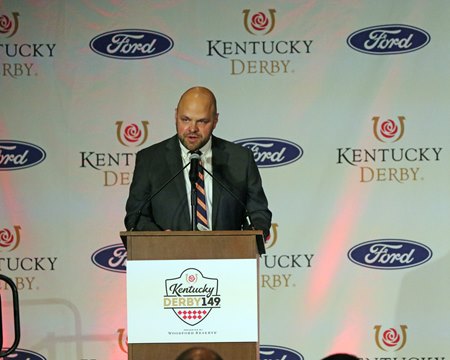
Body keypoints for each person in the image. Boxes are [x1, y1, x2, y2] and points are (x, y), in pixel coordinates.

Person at [124, 86, 272, 238]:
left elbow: (258, 212)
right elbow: (136, 217)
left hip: (226, 257)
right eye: (185, 120)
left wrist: (250, 237)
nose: (192, 129)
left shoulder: (240, 159)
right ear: (175, 116)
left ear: (215, 121)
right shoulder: (150, 160)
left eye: (202, 121)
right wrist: (161, 239)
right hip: (169, 257)